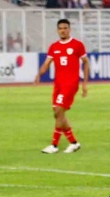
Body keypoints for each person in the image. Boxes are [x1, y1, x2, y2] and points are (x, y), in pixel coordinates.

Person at [35, 19, 89, 154]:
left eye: (65, 28)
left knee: (59, 112)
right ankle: (74, 143)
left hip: (70, 84)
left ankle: (54, 145)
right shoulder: (54, 47)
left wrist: (84, 84)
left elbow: (86, 63)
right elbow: (47, 63)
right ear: (57, 30)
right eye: (60, 28)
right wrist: (39, 75)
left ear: (69, 29)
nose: (63, 30)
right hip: (58, 85)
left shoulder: (77, 45)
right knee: (58, 114)